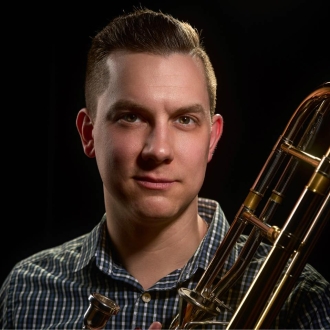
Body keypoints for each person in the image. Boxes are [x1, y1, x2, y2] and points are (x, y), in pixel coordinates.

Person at [1, 7, 329, 330]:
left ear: (212, 139)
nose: (158, 150)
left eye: (184, 120)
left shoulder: (300, 296)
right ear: (88, 134)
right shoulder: (27, 290)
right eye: (131, 117)